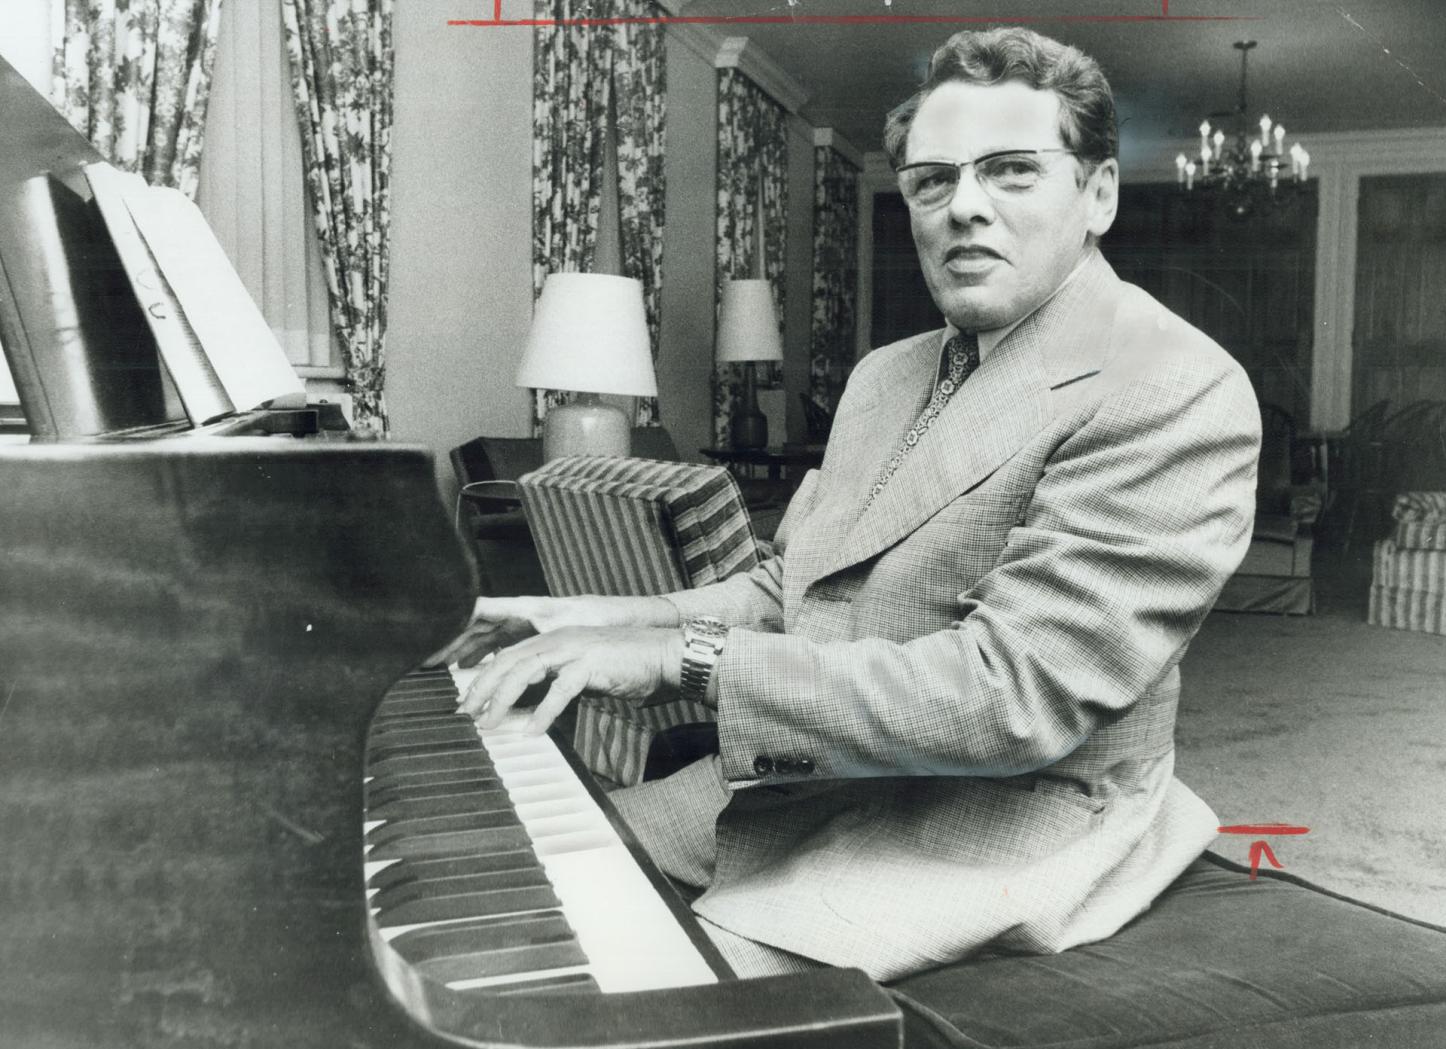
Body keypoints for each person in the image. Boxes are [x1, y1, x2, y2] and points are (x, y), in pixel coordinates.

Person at [437, 26, 1260, 982]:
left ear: (1099, 194)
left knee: (633, 988)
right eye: (932, 180)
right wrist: (594, 616)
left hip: (997, 826)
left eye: (1011, 172)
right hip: (805, 786)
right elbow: (798, 587)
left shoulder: (1172, 386)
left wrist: (676, 654)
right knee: (507, 872)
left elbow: (1012, 698)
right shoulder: (883, 376)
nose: (965, 208)